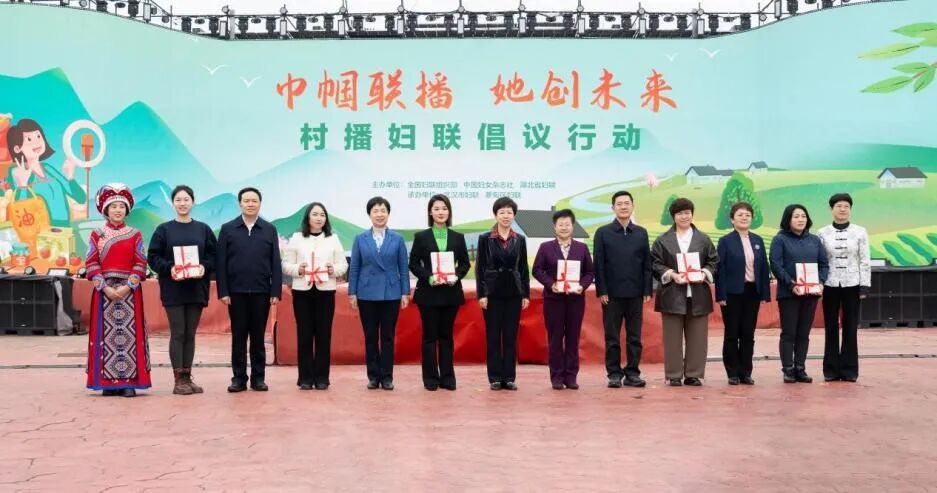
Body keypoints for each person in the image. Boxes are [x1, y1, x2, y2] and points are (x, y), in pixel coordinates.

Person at [146, 185, 216, 395]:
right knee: (178, 333)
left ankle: (187, 376)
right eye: (178, 200)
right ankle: (178, 380)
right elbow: (153, 257)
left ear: (193, 202)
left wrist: (204, 267)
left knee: (190, 334)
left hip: (196, 288)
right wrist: (170, 268)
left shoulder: (203, 229)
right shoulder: (164, 230)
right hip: (173, 289)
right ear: (172, 203)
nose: (182, 203)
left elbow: (214, 255)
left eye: (186, 199)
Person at [84, 183, 150, 397]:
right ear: (106, 210)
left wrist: (127, 286)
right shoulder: (97, 234)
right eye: (113, 206)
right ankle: (107, 382)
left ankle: (129, 382)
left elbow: (140, 262)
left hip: (129, 292)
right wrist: (105, 287)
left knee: (130, 336)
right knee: (105, 337)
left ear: (127, 209)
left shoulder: (135, 234)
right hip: (104, 292)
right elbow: (91, 262)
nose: (118, 210)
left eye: (121, 206)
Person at [216, 187, 282, 393]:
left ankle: (258, 378)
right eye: (246, 201)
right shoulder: (228, 229)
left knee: (258, 337)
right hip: (236, 293)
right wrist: (223, 291)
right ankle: (238, 378)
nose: (250, 204)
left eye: (254, 201)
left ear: (260, 204)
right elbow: (220, 263)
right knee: (238, 337)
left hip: (262, 292)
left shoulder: (269, 229)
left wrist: (275, 291)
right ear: (240, 204)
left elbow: (275, 262)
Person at [651, 198, 718, 386]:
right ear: (673, 216)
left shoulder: (703, 239)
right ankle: (674, 374)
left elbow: (714, 261)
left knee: (698, 337)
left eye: (687, 212)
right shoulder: (662, 240)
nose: (684, 216)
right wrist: (671, 274)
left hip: (698, 294)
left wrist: (703, 273)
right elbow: (655, 263)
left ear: (692, 214)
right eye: (680, 213)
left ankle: (693, 374)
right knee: (672, 337)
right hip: (672, 294)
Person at [282, 202, 347, 390]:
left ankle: (322, 378)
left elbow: (343, 265)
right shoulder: (296, 238)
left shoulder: (333, 239)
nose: (319, 218)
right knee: (304, 334)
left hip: (325, 292)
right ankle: (305, 378)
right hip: (302, 291)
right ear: (308, 218)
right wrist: (298, 269)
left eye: (322, 215)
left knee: (323, 335)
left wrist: (333, 269)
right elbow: (286, 264)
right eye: (315, 214)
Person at [408, 194, 471, 391]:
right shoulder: (421, 237)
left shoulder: (458, 237)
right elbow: (413, 263)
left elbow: (465, 264)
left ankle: (447, 377)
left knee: (446, 336)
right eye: (436, 209)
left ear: (449, 212)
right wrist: (429, 277)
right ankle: (430, 378)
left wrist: (456, 276)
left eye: (444, 208)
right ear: (430, 212)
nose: (441, 212)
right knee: (429, 337)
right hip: (428, 293)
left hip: (451, 293)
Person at [349, 196, 410, 391]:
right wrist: (352, 292)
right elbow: (355, 267)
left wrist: (405, 292)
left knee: (388, 337)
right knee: (370, 336)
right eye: (375, 211)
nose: (379, 214)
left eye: (383, 210)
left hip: (391, 293)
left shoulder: (397, 239)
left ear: (388, 214)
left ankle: (387, 377)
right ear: (369, 214)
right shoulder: (360, 239)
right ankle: (373, 376)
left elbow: (403, 267)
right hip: (366, 294)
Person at [593, 191, 652, 388]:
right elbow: (598, 263)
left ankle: (633, 373)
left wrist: (647, 290)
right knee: (612, 337)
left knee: (634, 337)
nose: (623, 207)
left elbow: (647, 264)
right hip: (611, 295)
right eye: (619, 204)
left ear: (633, 206)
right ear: (613, 208)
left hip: (636, 294)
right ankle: (614, 374)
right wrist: (602, 290)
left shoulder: (641, 233)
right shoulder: (603, 232)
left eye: (627, 203)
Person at [532, 209, 595, 390]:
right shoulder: (545, 247)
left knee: (573, 338)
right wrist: (551, 284)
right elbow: (537, 270)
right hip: (554, 299)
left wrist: (582, 286)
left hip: (575, 299)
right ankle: (557, 377)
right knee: (555, 338)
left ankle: (571, 376)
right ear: (555, 227)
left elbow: (590, 272)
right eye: (560, 224)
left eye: (567, 224)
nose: (564, 227)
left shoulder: (581, 248)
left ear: (572, 226)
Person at [770, 204, 829, 384]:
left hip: (811, 294)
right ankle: (788, 369)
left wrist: (820, 282)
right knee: (789, 332)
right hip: (790, 293)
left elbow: (824, 264)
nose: (800, 219)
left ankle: (800, 368)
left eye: (803, 216)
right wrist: (791, 283)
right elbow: (776, 264)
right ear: (788, 219)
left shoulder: (815, 240)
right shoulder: (780, 239)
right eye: (796, 216)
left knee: (804, 333)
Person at [476, 196, 530, 391]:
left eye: (509, 212)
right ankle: (495, 378)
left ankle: (509, 377)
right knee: (493, 336)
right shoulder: (485, 238)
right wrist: (482, 294)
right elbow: (480, 268)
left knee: (510, 337)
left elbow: (523, 268)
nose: (506, 216)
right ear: (495, 215)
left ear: (514, 215)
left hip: (514, 293)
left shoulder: (520, 239)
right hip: (492, 293)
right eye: (502, 212)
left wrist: (525, 294)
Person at [714, 202, 771, 385]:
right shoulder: (725, 241)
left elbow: (763, 267)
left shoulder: (757, 240)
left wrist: (765, 293)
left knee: (748, 333)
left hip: (752, 292)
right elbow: (720, 269)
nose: (744, 218)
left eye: (747, 215)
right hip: (732, 293)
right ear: (732, 219)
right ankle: (732, 372)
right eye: (740, 215)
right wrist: (721, 295)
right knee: (732, 333)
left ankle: (746, 372)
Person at [817, 193, 870, 383]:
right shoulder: (822, 233)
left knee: (850, 327)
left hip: (852, 284)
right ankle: (831, 370)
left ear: (850, 209)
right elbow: (820, 260)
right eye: (838, 206)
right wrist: (819, 282)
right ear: (831, 209)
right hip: (830, 284)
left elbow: (864, 259)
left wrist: (864, 285)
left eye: (846, 206)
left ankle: (849, 370)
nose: (842, 209)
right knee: (831, 326)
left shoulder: (860, 232)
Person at [5, 118, 86, 227]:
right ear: (17, 148)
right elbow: (21, 214)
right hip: (38, 231)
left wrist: (70, 176)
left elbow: (81, 198)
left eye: (38, 136)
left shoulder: (48, 169)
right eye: (29, 139)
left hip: (63, 228)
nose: (37, 142)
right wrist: (22, 186)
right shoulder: (17, 172)